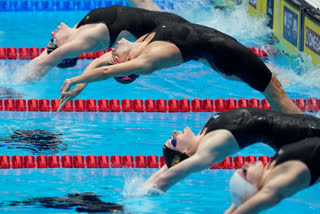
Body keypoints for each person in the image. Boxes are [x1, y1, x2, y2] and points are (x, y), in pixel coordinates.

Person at [57, 20, 302, 114]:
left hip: (218, 46)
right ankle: (307, 134)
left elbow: (103, 63)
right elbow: (109, 69)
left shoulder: (140, 44)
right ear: (125, 63)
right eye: (113, 54)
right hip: (225, 55)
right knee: (274, 91)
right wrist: (74, 80)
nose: (111, 49)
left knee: (269, 83)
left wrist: (82, 81)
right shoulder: (147, 60)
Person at [142, 108, 320, 192]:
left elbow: (168, 167)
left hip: (304, 127)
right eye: (174, 141)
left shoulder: (204, 135)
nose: (174, 133)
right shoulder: (210, 145)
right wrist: (132, 204)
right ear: (187, 152)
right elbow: (170, 175)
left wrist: (139, 189)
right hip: (306, 134)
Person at [24, 0, 189, 82]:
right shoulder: (85, 40)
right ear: (67, 48)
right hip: (169, 27)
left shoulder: (78, 28)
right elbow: (47, 61)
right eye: (53, 40)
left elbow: (43, 57)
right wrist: (13, 85)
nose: (52, 32)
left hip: (160, 19)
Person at [225, 137, 320, 214]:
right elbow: (247, 207)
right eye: (244, 171)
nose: (246, 164)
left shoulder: (268, 170)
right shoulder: (277, 185)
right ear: (252, 186)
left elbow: (242, 200)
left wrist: (236, 204)